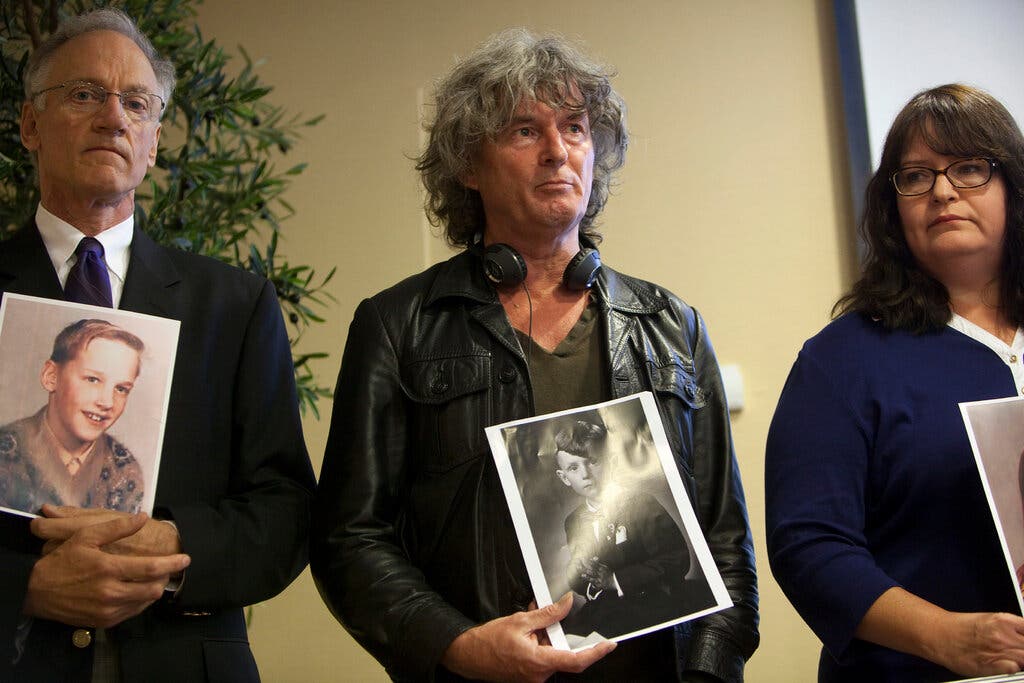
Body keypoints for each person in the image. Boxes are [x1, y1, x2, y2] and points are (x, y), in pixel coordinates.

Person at [312, 28, 758, 682]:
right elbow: (348, 537)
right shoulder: (398, 325)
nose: (558, 151)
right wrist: (458, 646)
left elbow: (725, 539)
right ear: (469, 165)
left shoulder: (672, 324)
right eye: (525, 131)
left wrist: (710, 669)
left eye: (575, 128)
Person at [0, 9, 315, 681]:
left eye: (136, 103)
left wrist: (170, 543)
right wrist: (21, 588)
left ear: (152, 140)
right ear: (29, 125)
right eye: (84, 94)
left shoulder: (237, 305)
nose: (114, 117)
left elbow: (284, 511)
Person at [765, 83, 1024, 681]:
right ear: (893, 207)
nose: (941, 191)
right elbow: (810, 548)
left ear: (1013, 186)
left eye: (969, 168)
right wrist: (948, 639)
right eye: (915, 176)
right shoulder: (842, 361)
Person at [552, 419, 709, 641]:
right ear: (564, 478)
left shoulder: (641, 503)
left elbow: (677, 558)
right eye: (573, 467)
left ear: (611, 462)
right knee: (564, 642)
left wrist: (615, 579)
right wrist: (580, 572)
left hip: (649, 605)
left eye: (593, 461)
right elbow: (581, 580)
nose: (585, 474)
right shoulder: (573, 520)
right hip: (604, 609)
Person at [0, 319, 146, 515]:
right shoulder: (6, 451)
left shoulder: (126, 471)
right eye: (93, 380)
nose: (107, 402)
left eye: (121, 389)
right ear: (51, 376)